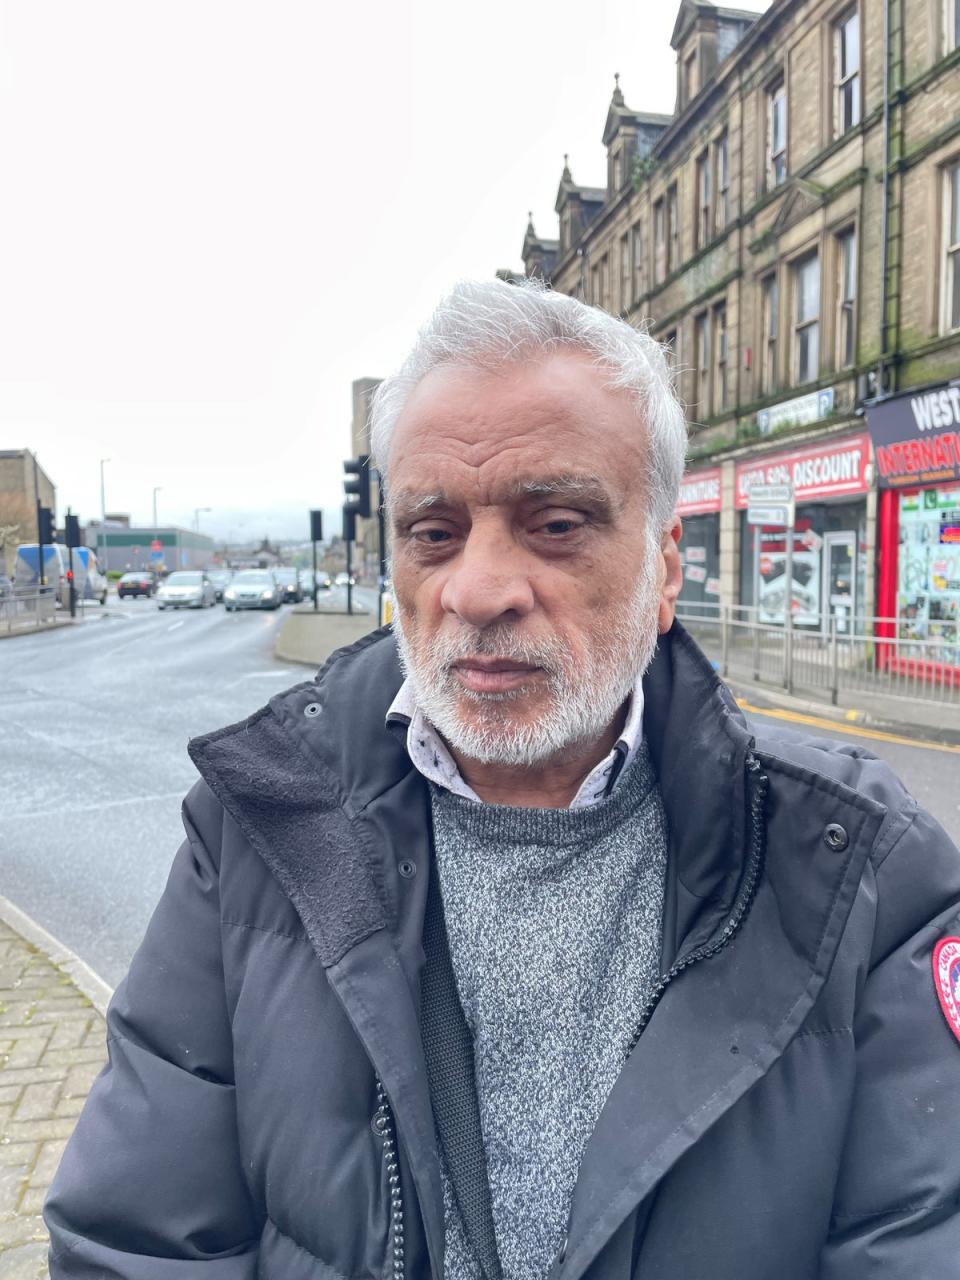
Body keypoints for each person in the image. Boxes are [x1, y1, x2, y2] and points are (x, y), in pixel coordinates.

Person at [46, 280, 960, 1279]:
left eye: (556, 522)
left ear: (664, 569)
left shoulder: (866, 870)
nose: (478, 589)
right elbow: (136, 1240)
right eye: (433, 532)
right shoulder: (253, 828)